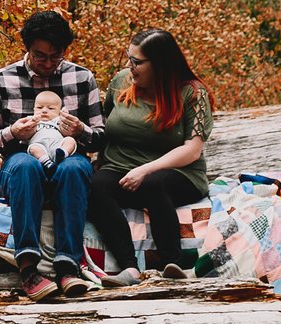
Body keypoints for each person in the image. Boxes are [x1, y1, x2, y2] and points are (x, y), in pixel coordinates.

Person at [0, 9, 105, 301]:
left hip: (68, 157)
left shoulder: (82, 78)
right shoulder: (1, 81)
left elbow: (100, 136)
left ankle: (68, 266)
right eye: (39, 55)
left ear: (64, 51)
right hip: (21, 160)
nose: (46, 63)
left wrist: (80, 130)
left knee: (74, 168)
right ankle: (29, 269)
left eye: (54, 56)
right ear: (27, 49)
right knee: (24, 165)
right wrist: (11, 134)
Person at [87, 27, 214, 284]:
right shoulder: (121, 82)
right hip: (121, 167)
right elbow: (106, 126)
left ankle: (172, 265)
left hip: (179, 173)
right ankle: (129, 268)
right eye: (128, 58)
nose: (129, 65)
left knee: (153, 183)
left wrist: (146, 169)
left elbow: (192, 149)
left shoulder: (192, 93)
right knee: (97, 186)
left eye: (136, 62)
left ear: (160, 64)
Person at [25, 92, 73, 167]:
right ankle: (47, 163)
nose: (44, 110)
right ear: (34, 109)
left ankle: (63, 153)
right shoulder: (31, 120)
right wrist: (30, 124)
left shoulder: (58, 119)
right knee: (33, 149)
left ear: (59, 111)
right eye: (39, 107)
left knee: (70, 140)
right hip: (39, 144)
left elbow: (67, 125)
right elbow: (23, 132)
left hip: (58, 144)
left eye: (50, 108)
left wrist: (65, 114)